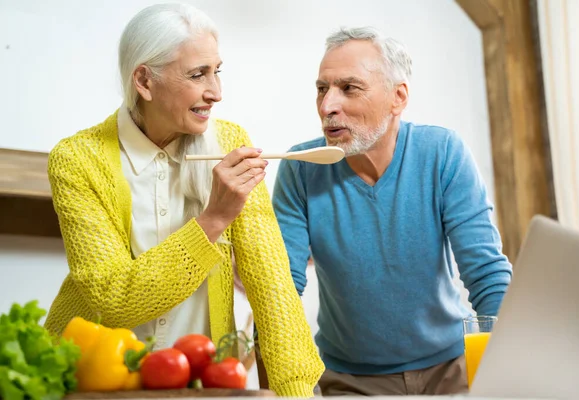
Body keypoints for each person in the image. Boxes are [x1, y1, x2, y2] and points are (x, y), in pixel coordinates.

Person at [44, 3, 324, 396]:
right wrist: (213, 220)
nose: (217, 93)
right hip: (93, 384)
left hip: (201, 384)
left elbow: (273, 291)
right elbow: (115, 301)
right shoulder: (76, 160)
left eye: (217, 71)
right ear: (144, 81)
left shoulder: (230, 143)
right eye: (198, 75)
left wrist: (296, 391)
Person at [272, 26, 513, 396]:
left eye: (348, 88)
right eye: (322, 89)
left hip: (452, 370)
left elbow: (485, 272)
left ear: (398, 97)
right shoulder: (300, 168)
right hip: (348, 381)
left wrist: (510, 371)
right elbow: (282, 290)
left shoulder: (442, 152)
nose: (327, 106)